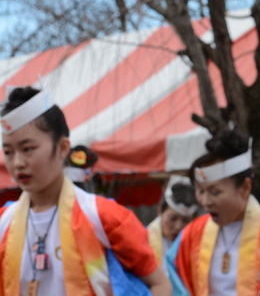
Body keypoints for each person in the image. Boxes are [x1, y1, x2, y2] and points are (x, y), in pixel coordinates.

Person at [0, 86, 171, 295]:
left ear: (63, 148)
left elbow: (159, 284)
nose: (17, 163)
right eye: (8, 152)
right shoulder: (3, 223)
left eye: (28, 149)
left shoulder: (104, 217)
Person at [168, 129, 260, 295]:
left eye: (215, 192)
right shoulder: (192, 233)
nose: (205, 201)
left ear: (245, 187)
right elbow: (176, 282)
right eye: (200, 191)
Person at [148, 176, 198, 268]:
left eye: (186, 220)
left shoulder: (199, 243)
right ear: (160, 211)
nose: (178, 226)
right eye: (172, 218)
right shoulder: (144, 240)